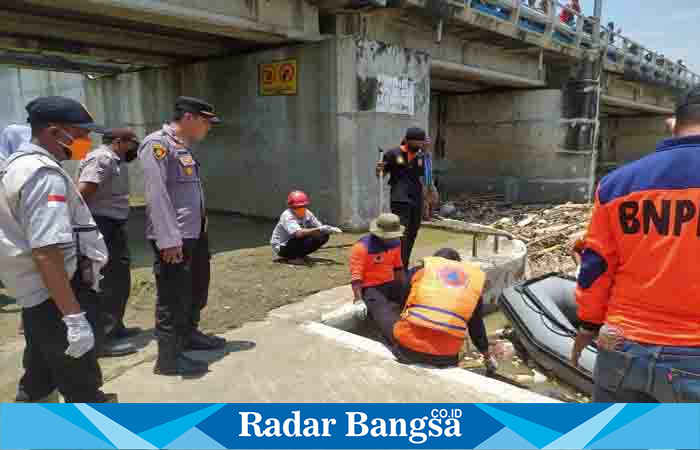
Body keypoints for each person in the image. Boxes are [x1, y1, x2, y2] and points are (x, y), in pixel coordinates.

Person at [571, 87, 700, 403]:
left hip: (622, 345)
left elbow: (595, 266)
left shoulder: (617, 183)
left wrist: (587, 326)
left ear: (672, 123)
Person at [0, 96, 116, 403]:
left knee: (39, 379)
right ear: (54, 132)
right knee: (83, 388)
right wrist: (74, 318)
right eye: (80, 135)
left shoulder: (18, 166)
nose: (87, 142)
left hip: (42, 298)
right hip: (60, 298)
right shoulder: (43, 176)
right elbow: (46, 251)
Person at [139, 96, 224, 376]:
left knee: (197, 288)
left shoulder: (181, 146)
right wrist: (168, 239)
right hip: (175, 237)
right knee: (173, 296)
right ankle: (168, 358)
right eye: (205, 122)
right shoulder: (157, 145)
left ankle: (189, 335)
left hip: (194, 233)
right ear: (189, 117)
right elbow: (156, 194)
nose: (208, 128)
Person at [77, 128, 141, 357]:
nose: (135, 149)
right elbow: (82, 192)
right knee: (107, 279)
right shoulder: (102, 158)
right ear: (119, 142)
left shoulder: (114, 160)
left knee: (119, 277)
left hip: (112, 224)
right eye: (132, 144)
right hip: (101, 224)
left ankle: (115, 326)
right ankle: (102, 337)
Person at [393, 248, 496, 370]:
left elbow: (401, 302)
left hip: (408, 348)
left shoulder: (419, 272)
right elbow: (476, 328)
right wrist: (487, 357)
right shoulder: (470, 286)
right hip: (444, 356)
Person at [350, 213, 406, 345]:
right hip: (370, 287)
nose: (392, 239)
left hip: (390, 282)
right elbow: (356, 277)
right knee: (383, 312)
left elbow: (398, 267)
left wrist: (404, 288)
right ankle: (398, 340)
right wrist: (358, 299)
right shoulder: (362, 248)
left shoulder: (396, 243)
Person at [377, 127, 426, 267]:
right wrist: (379, 169)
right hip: (400, 198)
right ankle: (396, 265)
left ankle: (404, 264)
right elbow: (381, 174)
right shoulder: (393, 153)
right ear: (408, 141)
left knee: (413, 232)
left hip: (416, 199)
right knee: (401, 234)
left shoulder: (421, 156)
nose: (420, 145)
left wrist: (426, 199)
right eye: (417, 142)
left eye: (421, 143)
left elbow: (420, 178)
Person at [270, 190, 342, 264]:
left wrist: (329, 229)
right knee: (311, 235)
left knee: (323, 236)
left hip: (295, 241)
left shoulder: (307, 213)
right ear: (291, 206)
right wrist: (319, 229)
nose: (300, 209)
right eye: (297, 207)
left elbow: (318, 226)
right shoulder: (287, 215)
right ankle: (291, 257)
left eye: (302, 206)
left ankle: (300, 255)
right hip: (282, 246)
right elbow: (298, 233)